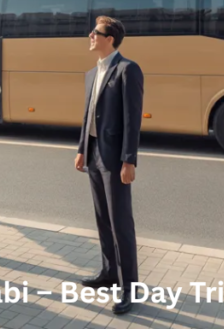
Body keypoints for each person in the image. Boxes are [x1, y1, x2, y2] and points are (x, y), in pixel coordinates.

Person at [74, 16, 144, 316]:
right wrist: (81, 150)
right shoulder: (93, 73)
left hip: (115, 158)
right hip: (93, 154)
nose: (90, 35)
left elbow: (132, 119)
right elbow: (88, 115)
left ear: (110, 39)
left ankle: (129, 287)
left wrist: (129, 160)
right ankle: (108, 273)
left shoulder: (128, 70)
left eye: (96, 32)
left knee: (120, 224)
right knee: (102, 218)